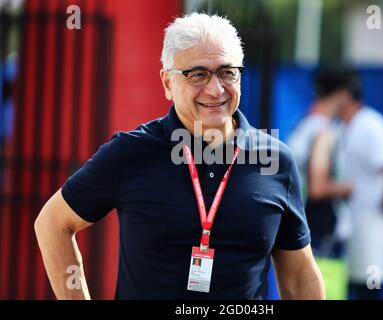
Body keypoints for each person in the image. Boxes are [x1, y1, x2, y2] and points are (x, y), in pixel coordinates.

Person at [34, 13, 325, 300]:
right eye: (197, 74)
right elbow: (52, 224)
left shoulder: (274, 160)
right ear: (167, 83)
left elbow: (299, 276)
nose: (215, 89)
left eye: (227, 72)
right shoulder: (131, 153)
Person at [331, 66, 383, 300]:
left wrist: (378, 209)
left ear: (344, 95)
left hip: (369, 228)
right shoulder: (341, 128)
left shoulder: (372, 125)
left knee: (370, 293)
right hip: (349, 231)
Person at [287, 67, 353, 258]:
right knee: (324, 288)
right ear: (342, 94)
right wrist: (348, 189)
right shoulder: (323, 131)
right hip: (322, 230)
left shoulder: (303, 124)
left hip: (305, 226)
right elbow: (317, 188)